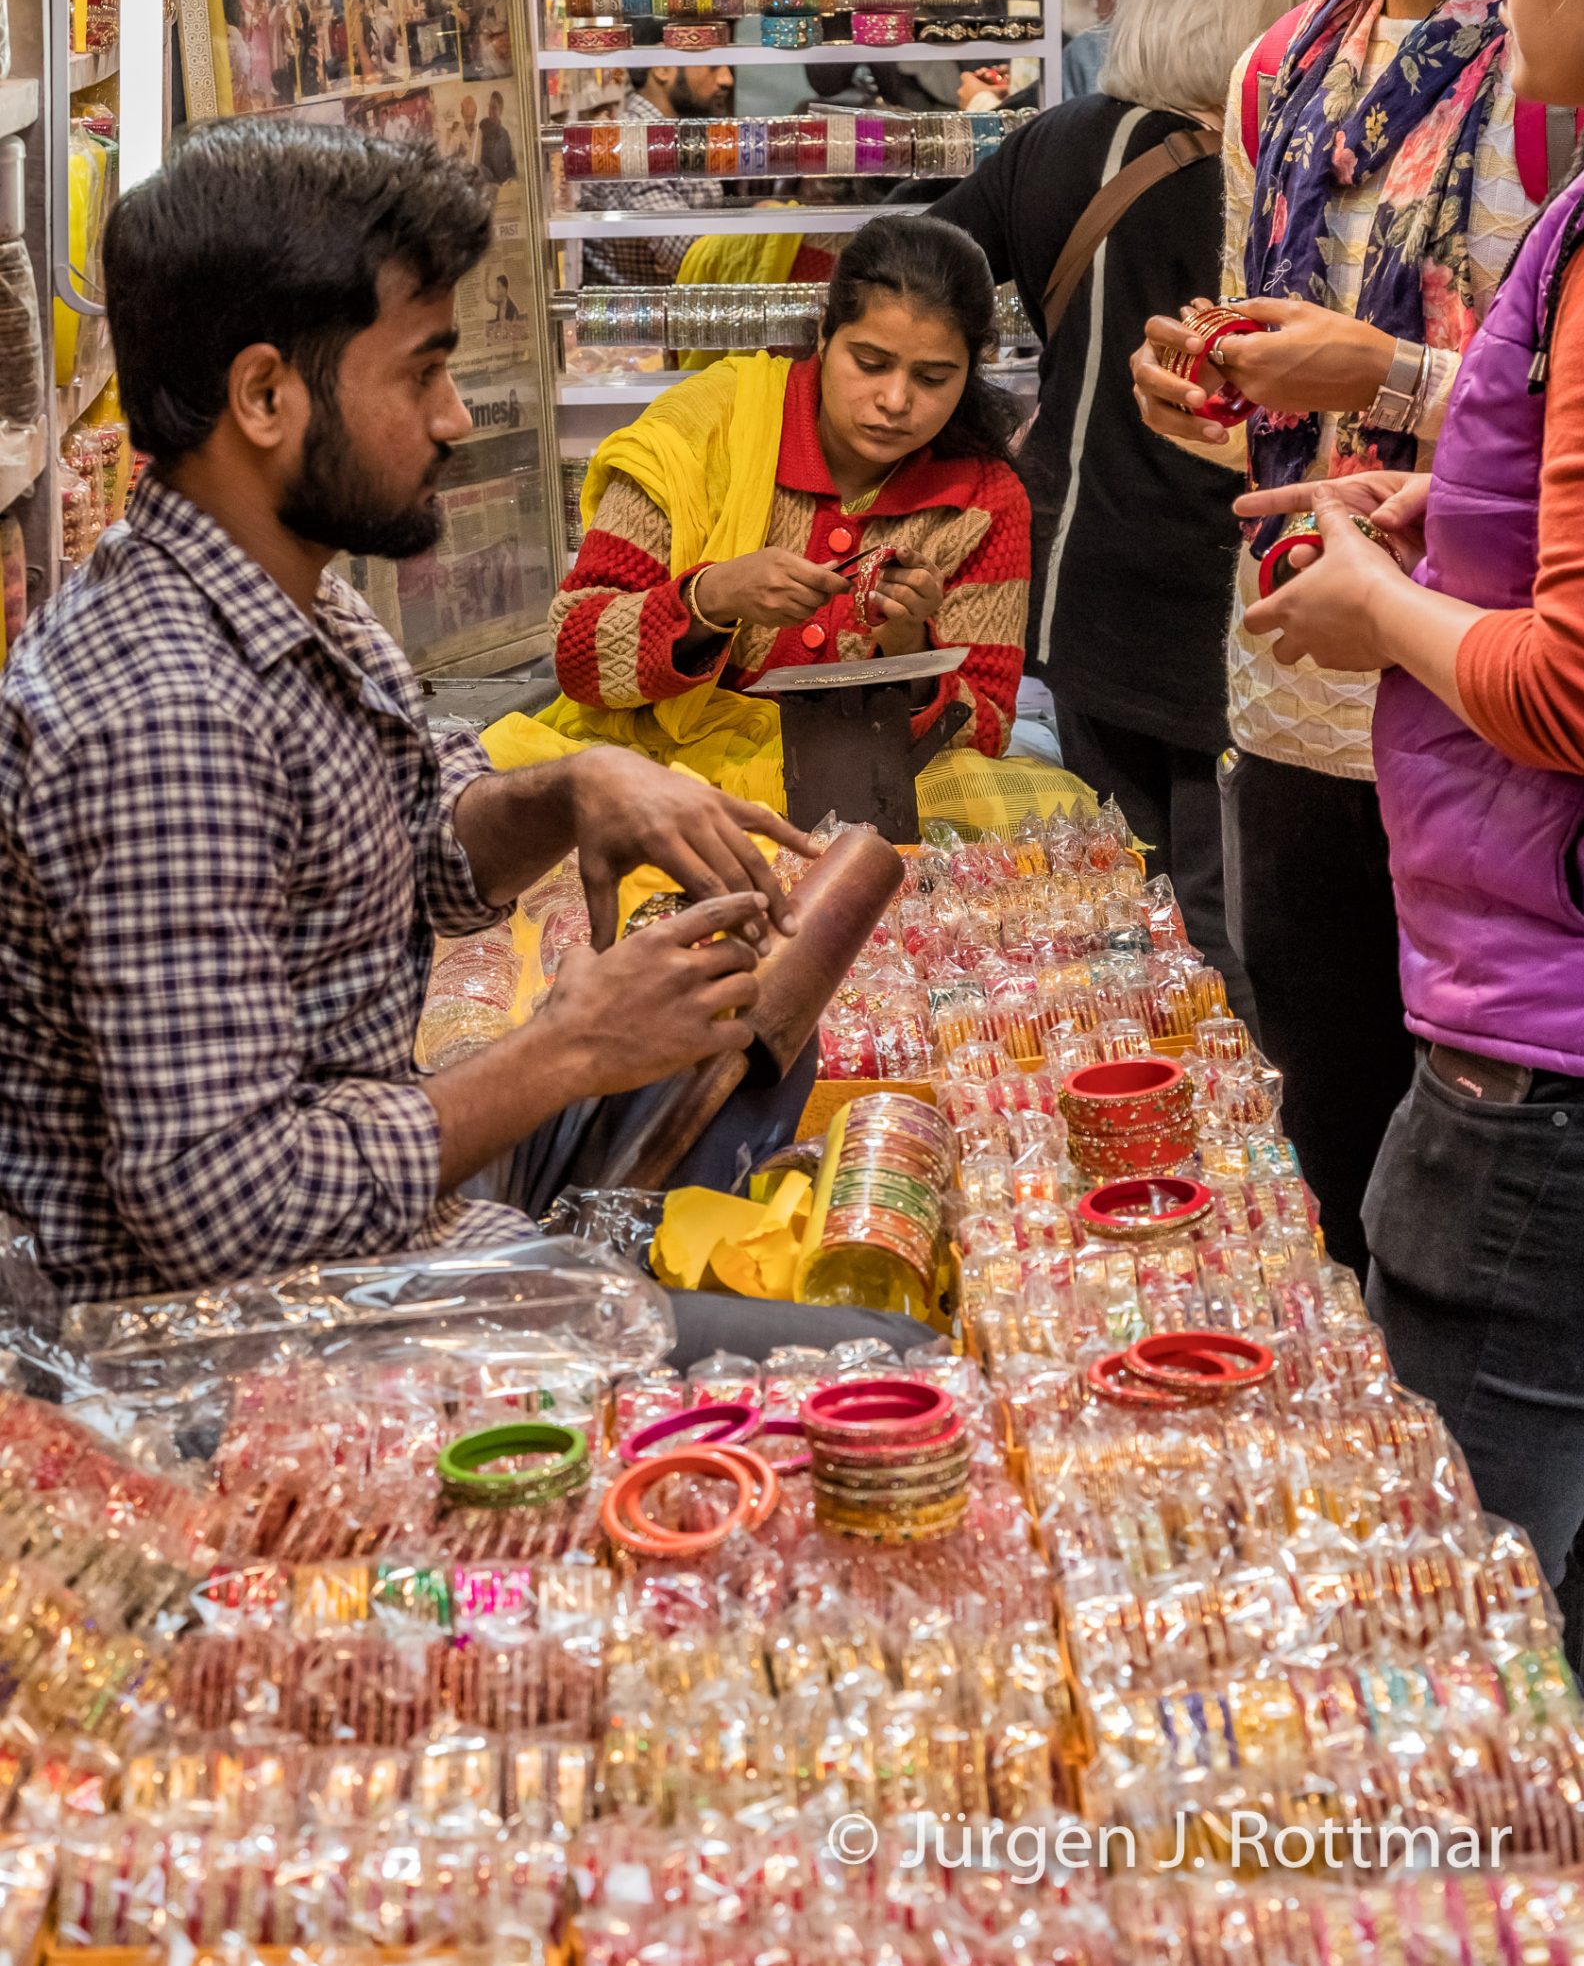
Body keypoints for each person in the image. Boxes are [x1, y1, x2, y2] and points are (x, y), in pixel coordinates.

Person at [0, 120, 835, 1312]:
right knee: (844, 1366)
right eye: (419, 371)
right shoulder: (165, 718)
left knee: (752, 1018)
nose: (453, 417)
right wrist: (569, 1047)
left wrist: (570, 789)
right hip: (236, 1338)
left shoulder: (299, 601)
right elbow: (221, 1213)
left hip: (353, 1180)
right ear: (264, 394)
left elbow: (423, 861)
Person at [1232, 0, 1584, 1652]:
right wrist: (1430, 485)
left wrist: (1384, 605)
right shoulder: (1297, 75)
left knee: (1433, 1625)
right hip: (1550, 996)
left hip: (1555, 1038)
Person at [1130, 0, 1541, 1279]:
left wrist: (1371, 375)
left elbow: (1569, 411)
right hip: (1297, 689)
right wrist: (1212, 388)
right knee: (1329, 1168)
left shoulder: (1564, 36)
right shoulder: (1282, 68)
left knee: (1504, 1223)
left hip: (1506, 702)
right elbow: (1269, 397)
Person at [933, 0, 1321, 1013]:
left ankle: (1149, 1113)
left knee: (1128, 899)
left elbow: (910, 282)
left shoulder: (1052, 144)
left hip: (1070, 578)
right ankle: (1255, 1147)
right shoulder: (1269, 181)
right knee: (1232, 913)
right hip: (1224, 592)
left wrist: (992, 430)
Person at [489, 214, 1030, 808]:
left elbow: (988, 735)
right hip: (663, 790)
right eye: (870, 363)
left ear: (973, 369)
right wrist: (710, 599)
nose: (895, 401)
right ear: (824, 334)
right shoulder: (706, 432)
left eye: (932, 378)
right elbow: (578, 655)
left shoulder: (982, 501)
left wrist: (909, 653)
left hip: (865, 806)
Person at [577, 65, 733, 292]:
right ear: (663, 69)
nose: (726, 79)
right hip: (645, 320)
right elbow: (691, 255)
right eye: (713, 66)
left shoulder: (673, 133)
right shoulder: (635, 140)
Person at [477, 90, 517, 186]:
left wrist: (510, 179)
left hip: (502, 184)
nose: (490, 112)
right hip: (486, 184)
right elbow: (478, 160)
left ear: (501, 110)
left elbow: (511, 163)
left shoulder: (505, 135)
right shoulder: (482, 128)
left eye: (494, 108)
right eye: (489, 107)